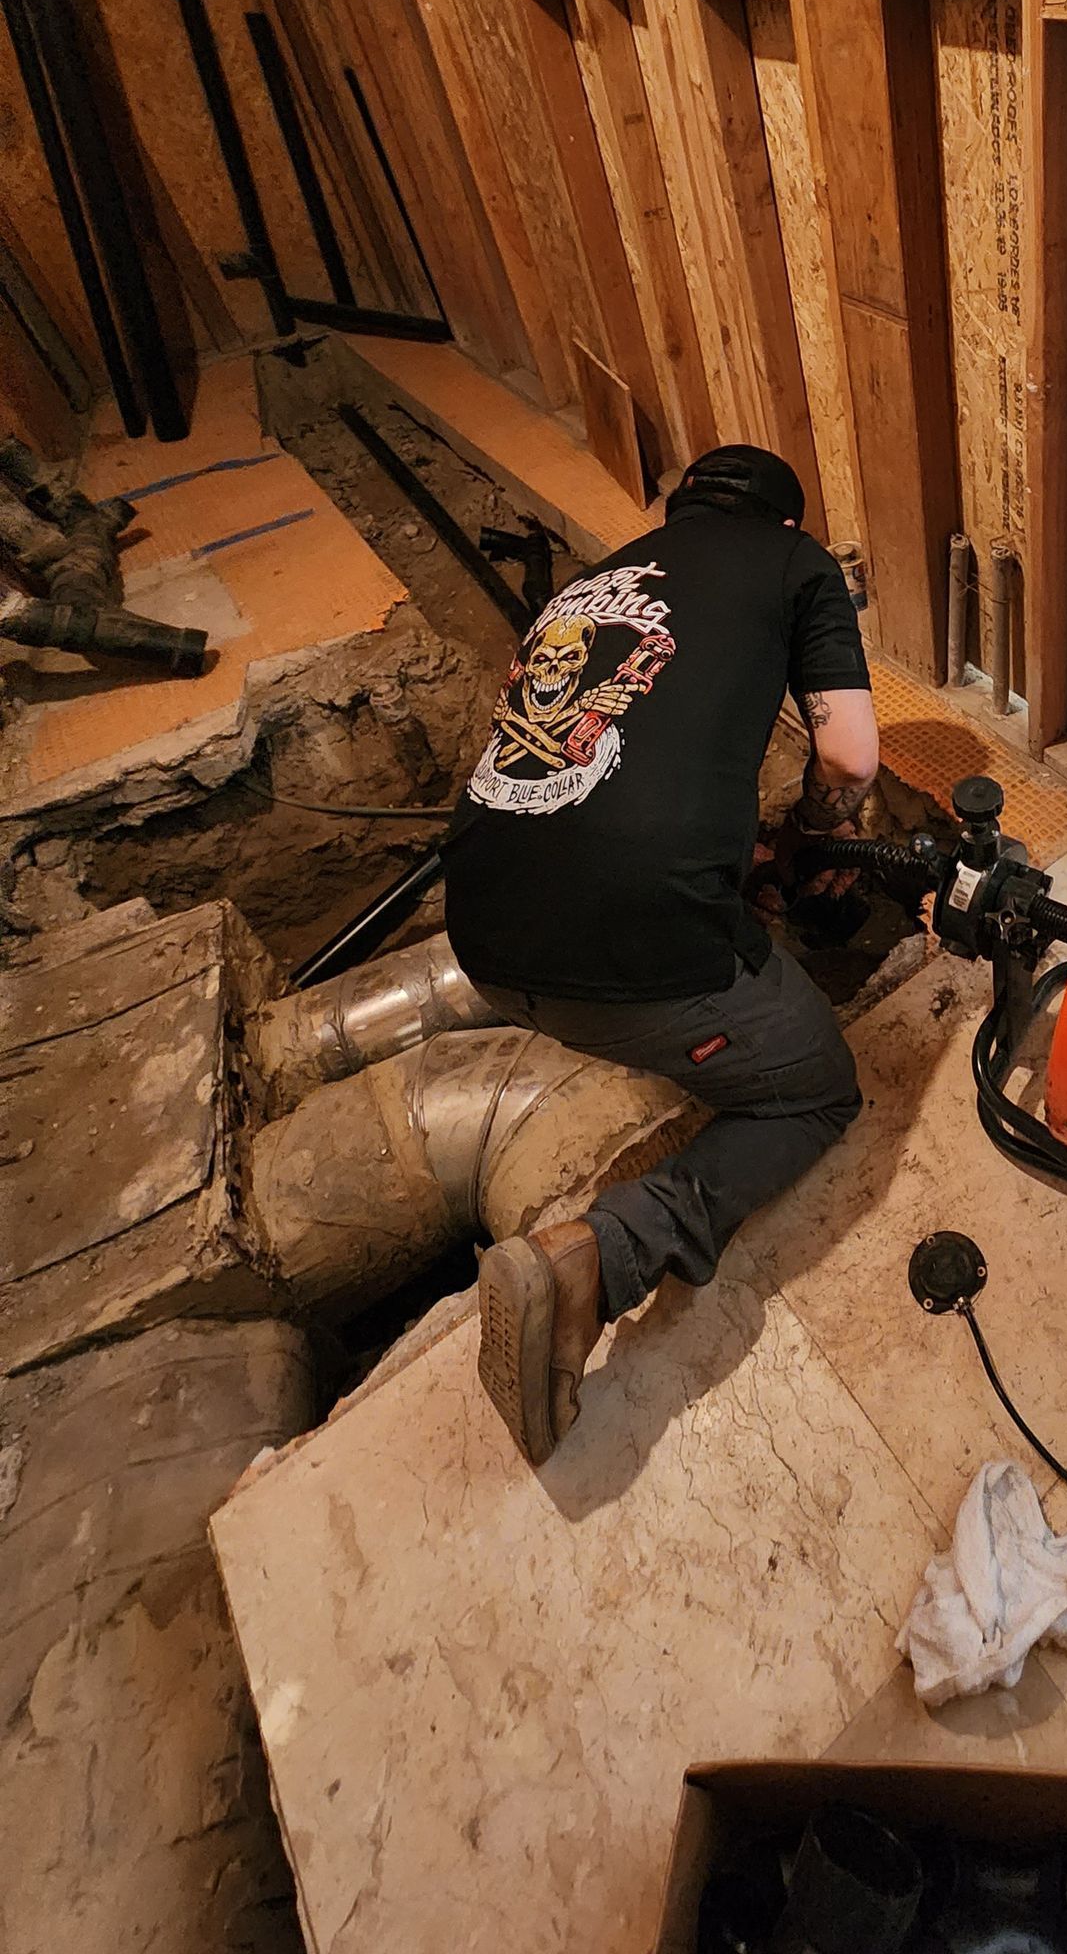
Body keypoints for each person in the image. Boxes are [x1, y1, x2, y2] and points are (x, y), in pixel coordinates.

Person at [443, 443, 880, 1466]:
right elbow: (852, 758)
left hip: (476, 928)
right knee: (818, 1086)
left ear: (675, 509)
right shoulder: (797, 565)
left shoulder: (597, 576)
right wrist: (814, 830)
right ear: (783, 523)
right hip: (628, 947)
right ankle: (604, 1256)